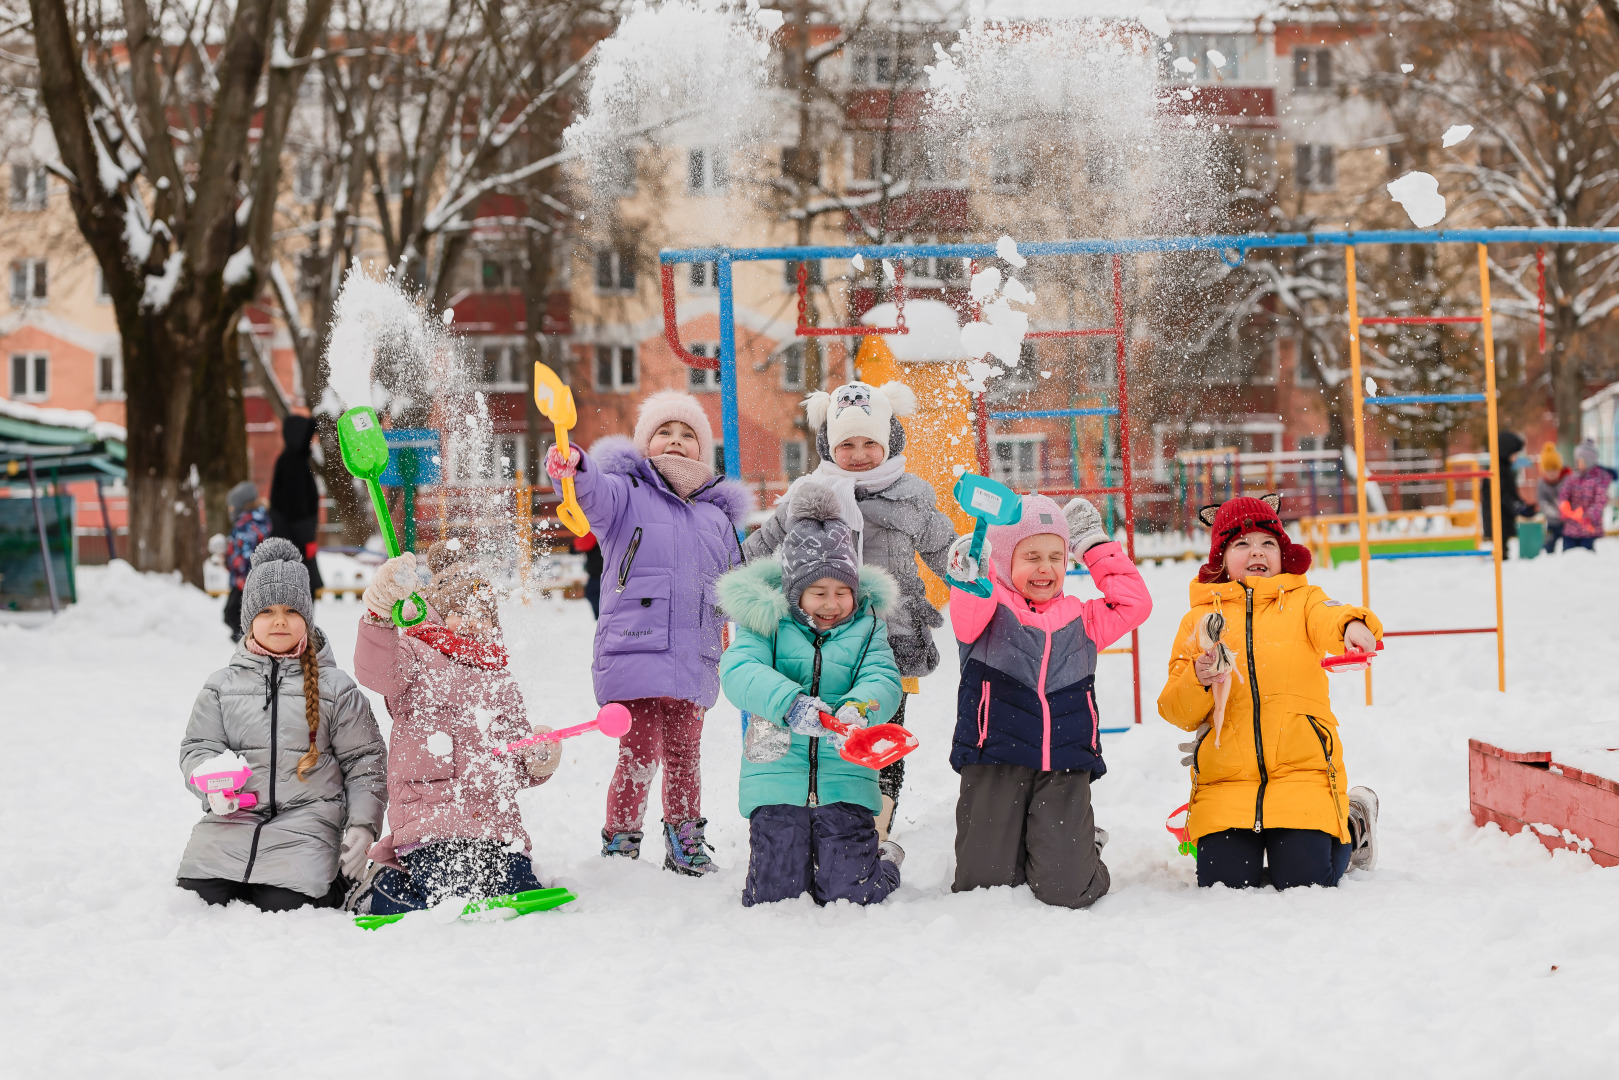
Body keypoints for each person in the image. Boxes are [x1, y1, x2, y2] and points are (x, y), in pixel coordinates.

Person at [546, 390, 751, 874]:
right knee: (638, 751)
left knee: (684, 753)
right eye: (665, 432)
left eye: (687, 435)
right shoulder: (626, 493)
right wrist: (575, 465)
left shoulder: (717, 516)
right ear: (645, 443)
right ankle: (621, 839)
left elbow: (733, 583)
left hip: (694, 651)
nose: (676, 442)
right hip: (636, 648)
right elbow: (591, 492)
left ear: (703, 449)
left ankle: (685, 837)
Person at [742, 381, 956, 842]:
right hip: (819, 632)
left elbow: (944, 550)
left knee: (879, 732)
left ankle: (873, 832)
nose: (858, 455)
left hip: (892, 634)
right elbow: (759, 549)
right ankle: (815, 821)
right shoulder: (809, 493)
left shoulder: (911, 496)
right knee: (821, 729)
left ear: (889, 441)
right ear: (828, 446)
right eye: (847, 445)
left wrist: (969, 568)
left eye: (869, 443)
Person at [1158, 495, 1382, 891]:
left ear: (1283, 554)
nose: (1256, 552)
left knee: (1305, 880)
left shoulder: (1304, 601)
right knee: (1223, 885)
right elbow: (1176, 710)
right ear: (1222, 557)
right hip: (1226, 781)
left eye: (1268, 543)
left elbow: (1331, 614)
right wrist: (1199, 677)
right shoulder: (1199, 621)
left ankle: (1354, 819)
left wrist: (1351, 625)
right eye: (1241, 544)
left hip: (1303, 772)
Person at [943, 493, 1151, 909]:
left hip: (1065, 760)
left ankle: (1081, 847)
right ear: (1003, 561)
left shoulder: (1084, 618)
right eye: (1031, 555)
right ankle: (1029, 841)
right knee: (984, 887)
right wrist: (969, 574)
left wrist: (1092, 544)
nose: (1045, 567)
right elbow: (967, 612)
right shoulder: (989, 607)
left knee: (1067, 889)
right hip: (994, 756)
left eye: (1056, 556)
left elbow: (1135, 603)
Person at [348, 539, 562, 915]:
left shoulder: (501, 680)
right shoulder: (413, 655)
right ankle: (384, 887)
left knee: (515, 880)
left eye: (484, 614)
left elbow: (514, 757)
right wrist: (379, 615)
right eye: (461, 612)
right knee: (445, 888)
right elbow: (376, 670)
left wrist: (536, 759)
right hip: (431, 822)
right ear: (440, 615)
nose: (473, 623)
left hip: (495, 826)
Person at [176, 538, 387, 911]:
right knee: (196, 898)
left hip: (307, 825)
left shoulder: (335, 688)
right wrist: (211, 790)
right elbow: (198, 748)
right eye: (267, 610)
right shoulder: (222, 686)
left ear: (306, 617)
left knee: (283, 903)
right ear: (248, 620)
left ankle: (344, 880)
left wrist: (361, 826)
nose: (279, 620)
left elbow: (365, 762)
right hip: (233, 822)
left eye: (291, 610)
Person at [719, 482, 905, 906]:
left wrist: (861, 708)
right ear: (794, 590)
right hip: (776, 781)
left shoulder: (868, 626)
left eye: (842, 592)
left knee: (850, 893)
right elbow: (738, 670)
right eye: (819, 592)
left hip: (845, 781)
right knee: (773, 895)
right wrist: (789, 702)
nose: (832, 603)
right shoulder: (766, 622)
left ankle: (885, 862)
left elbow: (884, 678)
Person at [269, 415, 324, 597]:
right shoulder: (293, 464)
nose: (310, 442)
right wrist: (307, 539)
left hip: (290, 540)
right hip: (294, 542)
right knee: (300, 592)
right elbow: (296, 507)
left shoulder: (290, 460)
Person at [222, 480, 270, 641]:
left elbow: (247, 555)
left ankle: (250, 645)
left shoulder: (246, 525)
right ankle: (250, 643)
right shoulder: (256, 520)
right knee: (235, 616)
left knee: (232, 615)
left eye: (231, 506)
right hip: (245, 579)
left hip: (245, 581)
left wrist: (232, 563)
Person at [1558, 439, 1613, 552]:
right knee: (1569, 558)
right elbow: (1564, 493)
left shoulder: (1599, 479)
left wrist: (1586, 515)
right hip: (1571, 529)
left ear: (1589, 461)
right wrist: (1564, 505)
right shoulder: (1573, 478)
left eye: (1582, 460)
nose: (1579, 463)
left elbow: (1600, 502)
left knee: (1587, 562)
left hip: (1589, 530)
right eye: (1578, 460)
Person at [1536, 443, 1569, 554]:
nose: (1552, 474)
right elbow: (1543, 502)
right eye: (1548, 471)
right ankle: (1547, 557)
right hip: (1552, 521)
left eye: (1554, 470)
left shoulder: (1566, 480)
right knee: (1549, 545)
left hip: (1567, 521)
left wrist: (1566, 511)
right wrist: (1554, 513)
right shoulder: (1542, 484)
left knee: (1568, 546)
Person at [574, 531, 604, 618]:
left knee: (592, 594)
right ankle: (601, 617)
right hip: (602, 571)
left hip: (597, 572)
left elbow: (576, 547)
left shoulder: (593, 532)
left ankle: (600, 617)